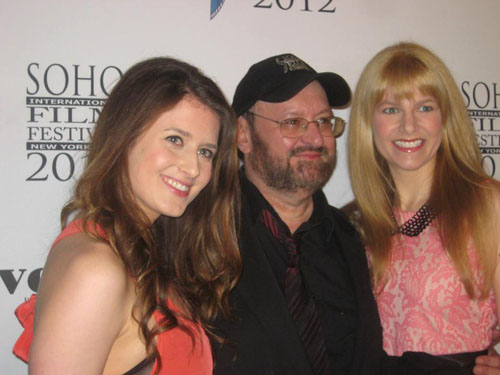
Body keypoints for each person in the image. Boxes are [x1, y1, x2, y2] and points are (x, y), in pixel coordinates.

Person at [12, 57, 241, 375]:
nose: (193, 168)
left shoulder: (139, 251)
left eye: (206, 152)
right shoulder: (96, 268)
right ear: (125, 136)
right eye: (175, 140)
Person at [211, 53, 389, 375]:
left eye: (323, 121)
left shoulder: (353, 238)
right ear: (243, 134)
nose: (315, 138)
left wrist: (466, 364)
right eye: (293, 123)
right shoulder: (199, 235)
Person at [346, 41, 500, 375]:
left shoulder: (487, 205)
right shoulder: (351, 223)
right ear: (368, 123)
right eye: (390, 109)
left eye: (425, 107)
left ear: (446, 117)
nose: (409, 126)